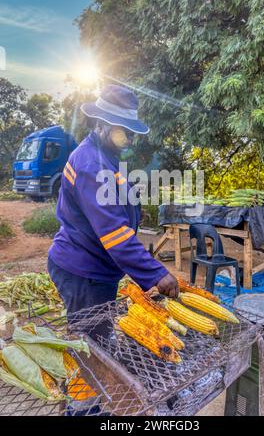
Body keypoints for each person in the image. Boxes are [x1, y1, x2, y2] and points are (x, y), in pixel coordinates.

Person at [48, 84, 178, 333]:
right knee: (93, 345)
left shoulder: (105, 155)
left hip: (97, 267)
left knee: (99, 336)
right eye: (124, 132)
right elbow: (115, 232)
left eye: (132, 133)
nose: (130, 139)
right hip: (84, 271)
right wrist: (155, 274)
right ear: (101, 123)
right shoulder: (91, 165)